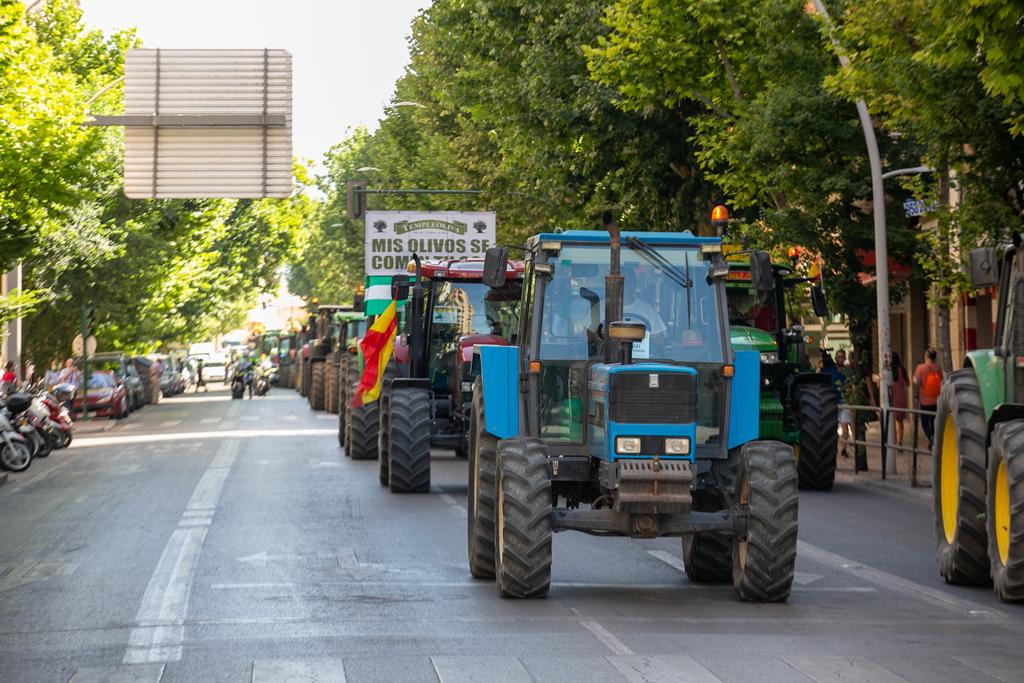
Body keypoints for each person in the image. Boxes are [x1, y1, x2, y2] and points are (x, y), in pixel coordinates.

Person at [913, 348, 944, 448]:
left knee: (924, 423)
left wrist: (916, 396)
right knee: (934, 421)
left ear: (926, 356)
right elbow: (942, 382)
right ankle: (933, 438)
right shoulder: (939, 368)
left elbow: (916, 383)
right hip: (937, 400)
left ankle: (931, 437)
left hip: (924, 400)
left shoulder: (920, 368)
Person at [833, 349, 853, 457]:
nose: (840, 359)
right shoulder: (832, 370)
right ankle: (834, 447)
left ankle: (844, 448)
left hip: (845, 401)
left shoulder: (847, 371)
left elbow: (851, 384)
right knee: (833, 427)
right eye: (838, 356)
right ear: (835, 358)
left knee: (845, 426)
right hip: (834, 402)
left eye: (842, 357)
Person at [890, 352, 910, 445]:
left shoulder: (889, 371)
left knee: (891, 419)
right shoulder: (903, 370)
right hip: (901, 396)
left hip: (892, 396)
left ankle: (892, 440)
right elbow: (908, 383)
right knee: (900, 420)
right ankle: (899, 441)